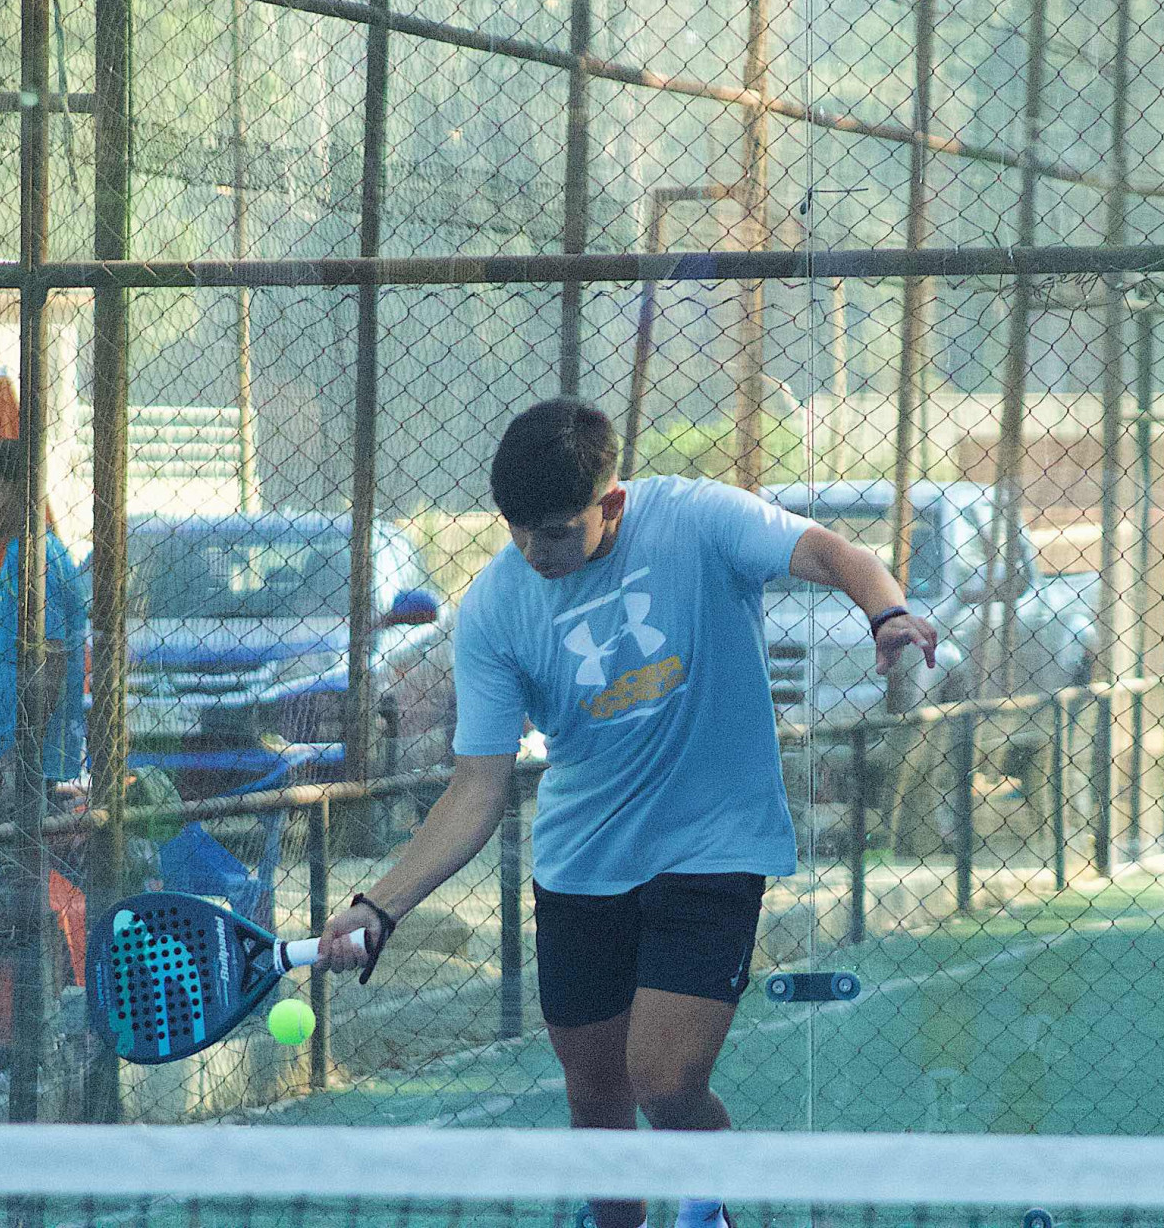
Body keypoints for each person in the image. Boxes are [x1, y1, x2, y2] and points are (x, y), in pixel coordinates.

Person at [317, 398, 940, 1228]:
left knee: (665, 1079)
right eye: (518, 531)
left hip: (713, 844)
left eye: (555, 531)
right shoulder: (495, 608)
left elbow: (835, 552)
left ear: (610, 502)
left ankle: (706, 1213)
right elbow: (476, 787)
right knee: (596, 1093)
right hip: (582, 863)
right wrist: (380, 904)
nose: (535, 551)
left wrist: (887, 610)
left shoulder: (696, 518)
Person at [0, 438, 88, 789]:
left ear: (24, 492)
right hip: (5, 740)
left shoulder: (36, 557)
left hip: (24, 753)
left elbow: (53, 656)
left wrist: (24, 745)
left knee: (17, 822)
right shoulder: (18, 553)